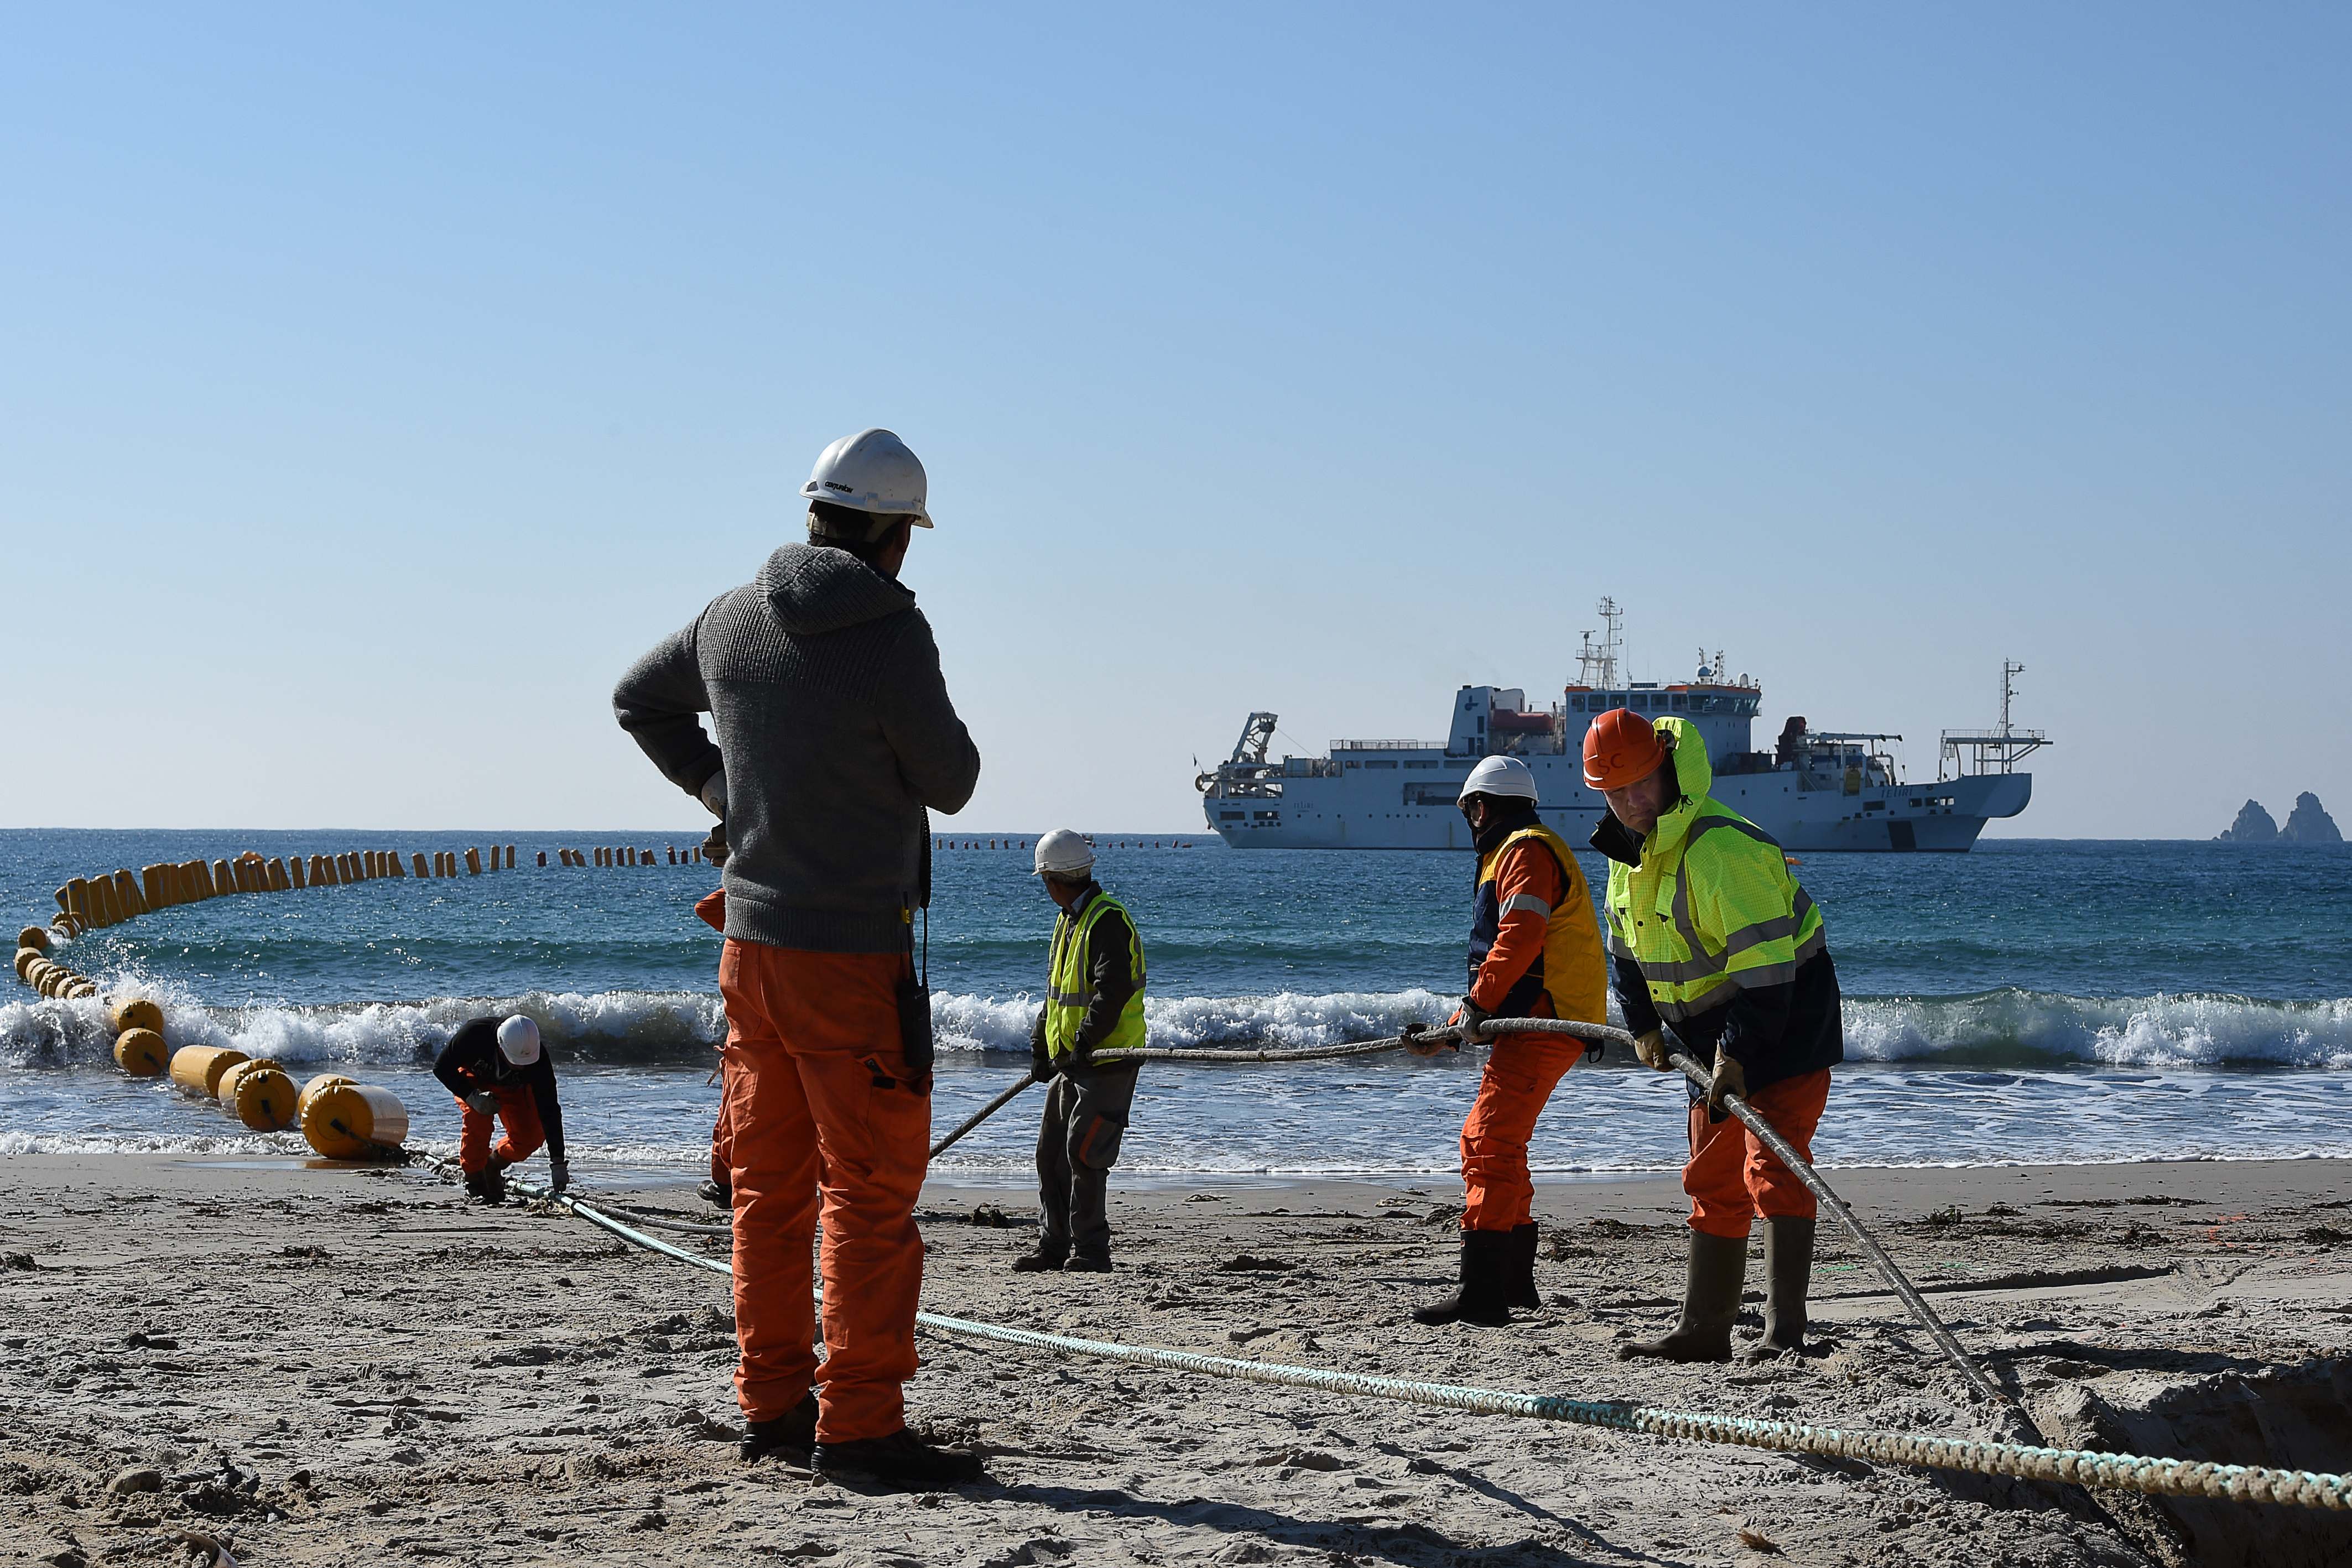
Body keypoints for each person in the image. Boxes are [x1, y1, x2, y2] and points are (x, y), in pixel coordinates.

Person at [611, 427, 984, 1487]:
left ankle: (772, 1405)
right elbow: (951, 780)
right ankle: (860, 1425)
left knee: (768, 1195)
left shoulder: (730, 618)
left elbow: (637, 698)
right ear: (892, 536)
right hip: (851, 960)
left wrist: (721, 787)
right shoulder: (890, 632)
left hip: (749, 948)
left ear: (814, 511)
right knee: (868, 1198)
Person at [1583, 709, 1844, 1363]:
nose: (1631, 801)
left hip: (1785, 1026)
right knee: (1712, 1176)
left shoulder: (1723, 848)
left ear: (1668, 769)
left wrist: (1737, 1056)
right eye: (1615, 793)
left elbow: (1766, 978)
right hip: (1709, 1041)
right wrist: (1641, 1022)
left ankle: (1785, 1334)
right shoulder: (1627, 856)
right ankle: (1703, 1330)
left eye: (1642, 784)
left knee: (1773, 1168)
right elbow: (1624, 952)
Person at [1406, 756, 1609, 1327]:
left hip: (1546, 1022)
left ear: (1483, 805)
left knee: (1486, 1141)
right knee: (1502, 1144)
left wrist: (1472, 1009)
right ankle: (1514, 1283)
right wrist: (1452, 1031)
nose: (1469, 820)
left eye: (1469, 808)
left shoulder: (1522, 851)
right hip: (1547, 1019)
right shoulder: (1528, 847)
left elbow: (1519, 937)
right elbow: (1514, 952)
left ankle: (1483, 1294)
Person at [1013, 830, 1146, 1274]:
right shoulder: (1070, 919)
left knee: (1085, 1151)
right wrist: (1041, 1043)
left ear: (1052, 879)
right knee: (1050, 1152)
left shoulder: (1107, 920)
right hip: (1073, 1062)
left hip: (1107, 1059)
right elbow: (1057, 994)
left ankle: (1091, 1249)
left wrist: (1084, 1043)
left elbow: (1112, 992)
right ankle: (1054, 1245)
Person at [434, 1015, 567, 1205]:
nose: (521, 1066)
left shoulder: (538, 1059)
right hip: (475, 1081)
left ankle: (493, 1164)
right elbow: (441, 1067)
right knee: (477, 1118)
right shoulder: (474, 1034)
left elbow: (550, 1108)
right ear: (500, 1045)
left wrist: (558, 1162)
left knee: (531, 1136)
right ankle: (475, 1182)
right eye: (516, 1061)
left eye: (525, 1062)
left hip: (514, 1089)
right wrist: (472, 1096)